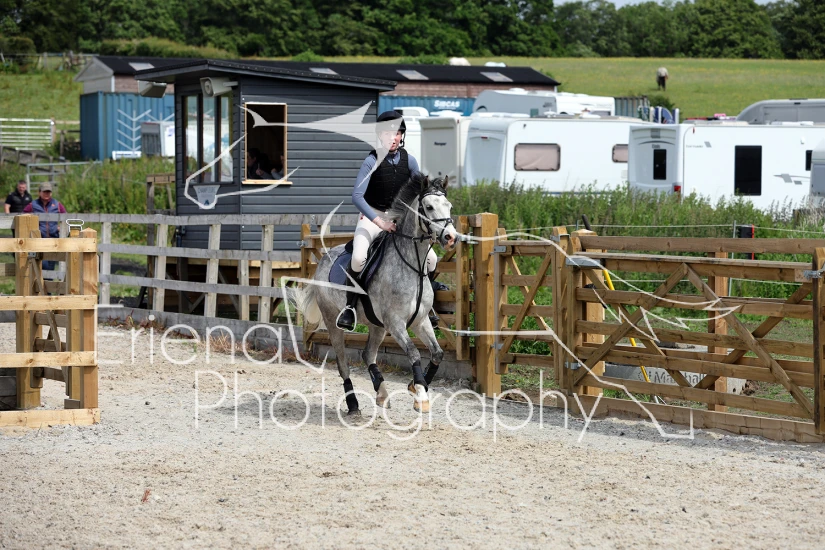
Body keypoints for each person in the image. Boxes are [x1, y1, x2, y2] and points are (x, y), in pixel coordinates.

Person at [337, 110, 445, 331]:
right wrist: (380, 222)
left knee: (432, 259)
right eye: (387, 133)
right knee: (358, 258)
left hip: (399, 221)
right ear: (380, 136)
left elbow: (421, 193)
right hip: (372, 218)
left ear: (401, 135)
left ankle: (425, 304)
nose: (393, 138)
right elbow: (357, 197)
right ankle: (350, 307)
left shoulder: (410, 161)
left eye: (397, 133)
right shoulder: (371, 161)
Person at [23, 182, 66, 273]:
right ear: (39, 192)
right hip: (39, 239)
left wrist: (60, 227)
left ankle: (48, 281)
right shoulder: (33, 205)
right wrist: (31, 227)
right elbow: (23, 216)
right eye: (44, 192)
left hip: (54, 239)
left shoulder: (57, 204)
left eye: (48, 192)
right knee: (43, 263)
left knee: (51, 263)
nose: (47, 194)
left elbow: (65, 217)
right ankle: (41, 280)